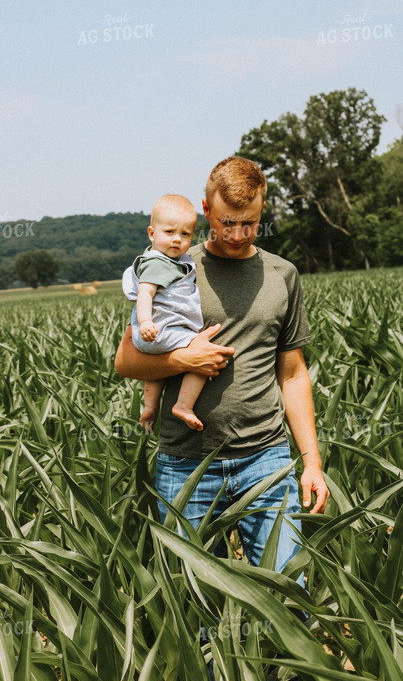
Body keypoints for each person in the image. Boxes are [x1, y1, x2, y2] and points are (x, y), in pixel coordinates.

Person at [115, 155, 329, 575]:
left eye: (248, 222)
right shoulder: (175, 268)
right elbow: (126, 360)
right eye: (226, 221)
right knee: (191, 604)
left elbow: (293, 374)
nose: (237, 233)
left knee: (287, 591)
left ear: (262, 212)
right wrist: (182, 358)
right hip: (185, 461)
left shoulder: (282, 274)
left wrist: (312, 463)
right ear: (206, 210)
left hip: (265, 457)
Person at [122, 194, 207, 432]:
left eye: (185, 234)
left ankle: (150, 406)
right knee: (201, 355)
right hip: (156, 330)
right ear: (151, 233)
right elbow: (145, 293)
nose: (177, 240)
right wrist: (146, 321)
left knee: (157, 370)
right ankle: (183, 404)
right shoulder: (157, 263)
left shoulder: (174, 261)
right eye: (169, 232)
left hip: (155, 337)